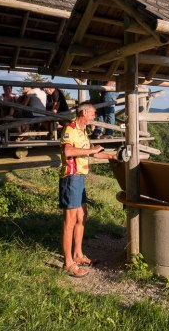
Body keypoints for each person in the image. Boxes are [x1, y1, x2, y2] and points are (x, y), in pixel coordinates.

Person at [59, 101, 116, 278]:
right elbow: (68, 152)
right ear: (83, 112)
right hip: (71, 177)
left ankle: (78, 254)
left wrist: (112, 156)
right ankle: (68, 263)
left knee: (83, 216)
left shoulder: (83, 131)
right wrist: (92, 150)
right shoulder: (70, 129)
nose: (94, 116)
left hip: (80, 177)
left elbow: (92, 152)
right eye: (93, 113)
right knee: (70, 220)